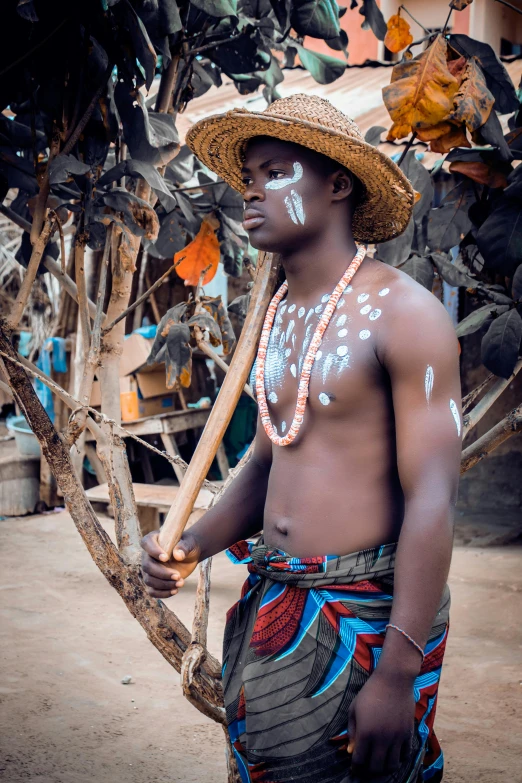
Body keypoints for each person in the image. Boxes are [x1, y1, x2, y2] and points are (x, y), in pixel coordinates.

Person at [141, 95, 462, 783]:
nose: (251, 189)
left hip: (365, 620)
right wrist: (191, 545)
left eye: (275, 171)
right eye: (248, 175)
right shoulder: (281, 312)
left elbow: (432, 497)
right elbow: (268, 459)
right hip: (276, 601)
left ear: (339, 184)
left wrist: (398, 670)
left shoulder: (406, 314)